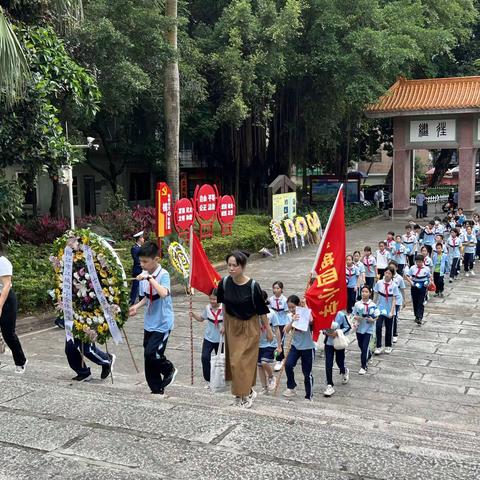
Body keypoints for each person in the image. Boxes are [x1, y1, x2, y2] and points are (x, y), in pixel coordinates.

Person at [216, 251, 273, 408]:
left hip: (249, 326)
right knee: (233, 363)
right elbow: (224, 304)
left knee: (242, 362)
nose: (231, 268)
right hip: (232, 325)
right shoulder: (224, 283)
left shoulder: (253, 286)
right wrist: (223, 323)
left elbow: (262, 310)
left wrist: (268, 330)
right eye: (229, 265)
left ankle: (245, 394)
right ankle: (241, 394)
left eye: (235, 265)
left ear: (243, 266)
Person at [129, 242, 177, 396]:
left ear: (156, 259)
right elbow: (147, 298)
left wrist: (149, 278)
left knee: (153, 353)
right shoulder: (144, 276)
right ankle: (156, 389)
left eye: (145, 262)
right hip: (149, 323)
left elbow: (163, 293)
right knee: (147, 357)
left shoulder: (163, 275)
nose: (142, 265)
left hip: (162, 322)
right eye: (140, 262)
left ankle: (169, 368)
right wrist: (136, 306)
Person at [0, 242, 27, 373]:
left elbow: (6, 285)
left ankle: (21, 361)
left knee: (8, 334)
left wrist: (0, 306)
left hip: (6, 300)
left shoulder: (3, 262)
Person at [283, 295, 315, 400]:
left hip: (307, 347)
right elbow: (285, 330)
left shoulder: (304, 313)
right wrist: (292, 321)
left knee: (307, 373)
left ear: (298, 306)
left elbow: (311, 320)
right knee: (288, 364)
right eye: (289, 307)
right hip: (295, 346)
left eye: (293, 307)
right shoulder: (289, 316)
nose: (291, 309)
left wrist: (304, 305)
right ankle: (291, 387)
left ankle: (308, 396)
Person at [191, 288, 223, 388]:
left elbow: (232, 320)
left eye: (214, 299)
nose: (212, 301)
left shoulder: (225, 308)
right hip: (209, 338)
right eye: (210, 299)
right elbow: (201, 318)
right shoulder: (208, 308)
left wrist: (226, 327)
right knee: (205, 358)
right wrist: (193, 315)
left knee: (221, 360)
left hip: (221, 340)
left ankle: (221, 380)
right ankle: (209, 380)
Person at [258, 291, 282, 394]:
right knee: (259, 366)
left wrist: (279, 345)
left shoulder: (271, 313)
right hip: (257, 343)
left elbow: (277, 329)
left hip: (270, 343)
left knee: (264, 362)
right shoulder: (253, 312)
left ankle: (271, 377)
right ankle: (264, 387)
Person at [323, 310, 351, 397]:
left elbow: (348, 327)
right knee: (328, 364)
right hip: (328, 343)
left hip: (339, 343)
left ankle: (344, 370)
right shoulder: (324, 313)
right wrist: (325, 331)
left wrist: (338, 332)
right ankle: (329, 385)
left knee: (339, 362)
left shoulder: (341, 315)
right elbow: (320, 326)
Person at [352, 286, 378, 374]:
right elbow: (353, 314)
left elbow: (376, 315)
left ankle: (364, 366)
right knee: (361, 345)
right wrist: (356, 318)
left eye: (366, 292)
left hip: (369, 329)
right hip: (359, 328)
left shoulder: (373, 305)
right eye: (363, 291)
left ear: (370, 293)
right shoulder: (357, 304)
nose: (364, 293)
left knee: (365, 347)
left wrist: (373, 320)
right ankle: (369, 354)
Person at [373, 267, 398, 354]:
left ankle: (388, 345)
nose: (387, 275)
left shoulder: (394, 285)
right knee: (378, 326)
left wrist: (392, 311)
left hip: (389, 309)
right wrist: (373, 307)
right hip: (380, 308)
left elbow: (394, 299)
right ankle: (378, 346)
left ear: (392, 275)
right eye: (386, 273)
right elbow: (375, 295)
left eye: (389, 273)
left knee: (389, 328)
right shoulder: (379, 283)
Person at [405, 254, 431, 325]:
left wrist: (427, 282)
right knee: (415, 301)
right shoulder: (412, 268)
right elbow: (407, 276)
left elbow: (429, 277)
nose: (418, 263)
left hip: (423, 286)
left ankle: (420, 317)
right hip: (414, 285)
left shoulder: (426, 269)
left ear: (423, 261)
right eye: (417, 262)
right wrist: (411, 282)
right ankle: (416, 315)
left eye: (420, 262)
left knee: (421, 301)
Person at [269, 281, 289, 372]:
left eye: (278, 288)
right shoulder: (270, 300)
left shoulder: (285, 300)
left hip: (281, 323)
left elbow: (286, 312)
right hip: (273, 323)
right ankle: (278, 357)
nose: (276, 290)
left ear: (281, 289)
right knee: (274, 341)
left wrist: (286, 324)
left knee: (280, 342)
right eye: (274, 288)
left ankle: (279, 360)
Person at [388, 260, 406, 344]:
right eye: (390, 267)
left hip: (397, 300)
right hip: (387, 300)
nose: (391, 269)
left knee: (394, 317)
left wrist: (404, 300)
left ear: (396, 268)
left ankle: (394, 334)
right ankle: (389, 332)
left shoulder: (399, 278)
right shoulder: (386, 276)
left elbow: (402, 289)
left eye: (393, 267)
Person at [129, 231, 145, 305]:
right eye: (142, 238)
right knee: (135, 286)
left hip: (143, 269)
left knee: (143, 285)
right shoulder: (134, 248)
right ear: (139, 239)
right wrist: (143, 264)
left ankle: (142, 299)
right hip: (138, 270)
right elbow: (136, 259)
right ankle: (131, 301)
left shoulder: (141, 247)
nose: (143, 239)